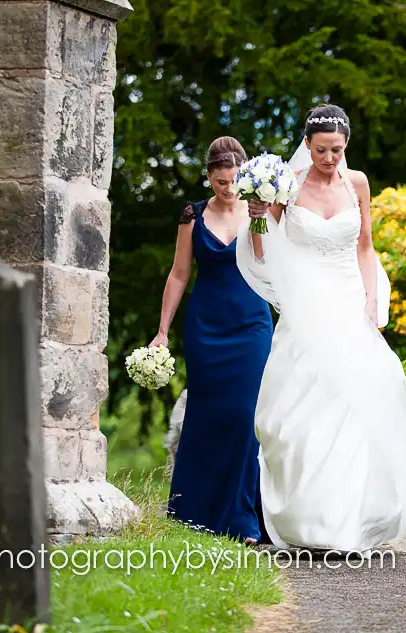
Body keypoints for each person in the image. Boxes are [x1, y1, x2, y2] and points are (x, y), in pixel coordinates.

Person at [236, 104, 406, 554]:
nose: (330, 158)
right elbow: (262, 249)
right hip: (307, 302)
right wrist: (255, 212)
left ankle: (356, 520)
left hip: (350, 299)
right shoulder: (286, 188)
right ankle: (311, 520)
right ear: (307, 146)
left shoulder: (359, 183)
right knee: (301, 410)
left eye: (338, 149)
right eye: (322, 150)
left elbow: (365, 247)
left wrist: (372, 300)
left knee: (360, 403)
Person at [150, 136, 274, 545]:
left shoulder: (258, 207)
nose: (227, 187)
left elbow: (264, 262)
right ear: (208, 177)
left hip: (251, 323)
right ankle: (195, 510)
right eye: (220, 181)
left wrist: (257, 218)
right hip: (206, 327)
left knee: (245, 417)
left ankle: (243, 516)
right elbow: (178, 274)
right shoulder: (192, 215)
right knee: (207, 416)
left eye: (234, 179)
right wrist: (162, 331)